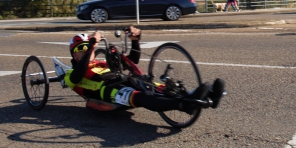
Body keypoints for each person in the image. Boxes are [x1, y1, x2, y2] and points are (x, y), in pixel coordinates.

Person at [65, 26, 224, 111]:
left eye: (88, 46)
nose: (86, 50)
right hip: (106, 90)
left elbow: (131, 61)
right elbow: (78, 76)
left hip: (125, 80)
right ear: (74, 56)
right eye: (81, 48)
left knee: (159, 87)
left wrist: (135, 40)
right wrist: (92, 44)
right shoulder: (71, 74)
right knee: (141, 97)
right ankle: (183, 105)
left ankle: (208, 96)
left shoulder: (102, 63)